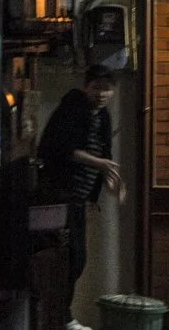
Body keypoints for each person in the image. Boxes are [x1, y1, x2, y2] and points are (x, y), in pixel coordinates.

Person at [36, 64, 125, 293]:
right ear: (86, 87)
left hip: (78, 198)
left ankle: (61, 307)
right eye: (96, 87)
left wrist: (111, 181)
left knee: (74, 258)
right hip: (58, 193)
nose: (102, 94)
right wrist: (100, 164)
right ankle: (58, 307)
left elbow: (104, 154)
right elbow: (62, 148)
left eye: (107, 89)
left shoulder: (103, 116)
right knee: (65, 255)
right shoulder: (72, 108)